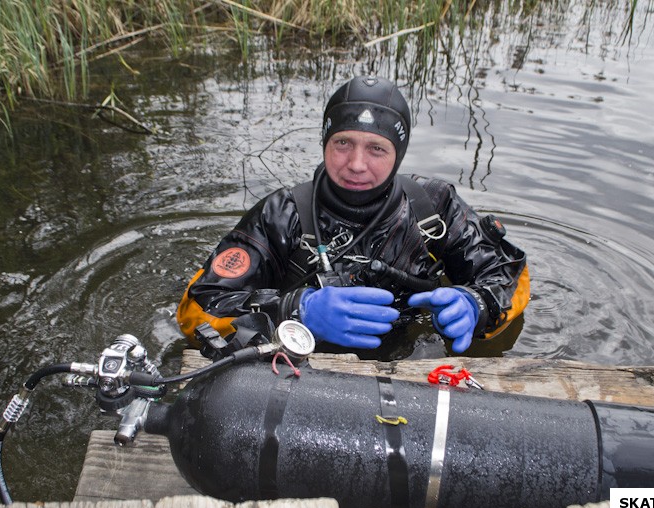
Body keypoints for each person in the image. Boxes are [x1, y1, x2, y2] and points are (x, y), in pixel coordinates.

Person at [177, 75, 529, 357]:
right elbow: (198, 309)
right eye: (343, 143)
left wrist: (477, 305)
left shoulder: (433, 208)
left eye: (377, 148)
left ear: (399, 154)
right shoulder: (282, 214)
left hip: (405, 359)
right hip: (301, 368)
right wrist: (293, 310)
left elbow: (511, 274)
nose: (357, 164)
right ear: (325, 141)